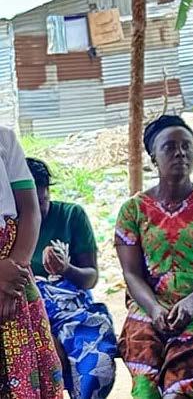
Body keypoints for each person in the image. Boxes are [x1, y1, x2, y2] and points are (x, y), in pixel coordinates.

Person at [114, 115, 193, 399]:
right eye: (170, 147)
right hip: (151, 299)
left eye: (186, 146)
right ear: (153, 157)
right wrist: (154, 309)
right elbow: (131, 274)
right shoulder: (133, 210)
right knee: (142, 357)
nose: (180, 153)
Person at [27, 157, 117, 399]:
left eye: (41, 201)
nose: (35, 211)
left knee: (96, 360)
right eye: (27, 203)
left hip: (71, 306)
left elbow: (90, 278)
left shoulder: (71, 216)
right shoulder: (9, 226)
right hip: (27, 309)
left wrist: (66, 269)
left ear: (48, 193)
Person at [0, 126, 64, 398]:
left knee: (26, 378)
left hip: (14, 279)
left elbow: (30, 210)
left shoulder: (4, 139)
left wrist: (12, 275)